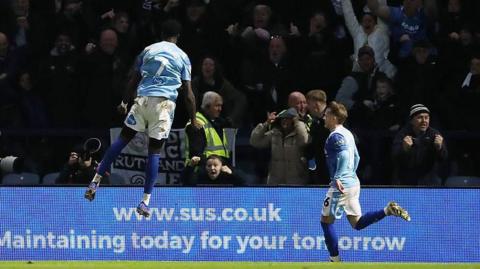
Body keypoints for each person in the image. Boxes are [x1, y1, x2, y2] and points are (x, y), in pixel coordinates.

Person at [84, 19, 198, 218]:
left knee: (122, 140)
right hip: (163, 105)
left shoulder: (148, 50)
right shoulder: (183, 56)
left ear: (161, 33)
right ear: (177, 37)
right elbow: (188, 93)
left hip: (143, 99)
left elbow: (133, 78)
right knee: (154, 153)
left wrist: (124, 102)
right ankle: (145, 202)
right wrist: (194, 119)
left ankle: (96, 179)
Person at [320, 101, 410, 262]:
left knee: (326, 221)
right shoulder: (348, 133)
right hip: (353, 182)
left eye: (326, 115)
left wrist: (338, 178)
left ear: (334, 117)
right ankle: (387, 210)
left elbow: (345, 156)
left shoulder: (335, 136)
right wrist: (351, 174)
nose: (323, 117)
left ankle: (334, 261)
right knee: (357, 223)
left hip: (341, 184)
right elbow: (356, 157)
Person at [250, 107, 310, 185]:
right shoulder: (274, 134)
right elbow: (254, 141)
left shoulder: (300, 134)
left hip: (296, 181)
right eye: (282, 119)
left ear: (293, 120)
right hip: (275, 181)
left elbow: (304, 141)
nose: (284, 121)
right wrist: (266, 124)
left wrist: (298, 122)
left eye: (288, 118)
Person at [392, 104, 448, 185]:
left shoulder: (434, 134)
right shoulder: (402, 134)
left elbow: (443, 158)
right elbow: (395, 158)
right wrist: (404, 149)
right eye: (419, 117)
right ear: (412, 121)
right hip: (406, 180)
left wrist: (439, 148)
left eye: (426, 117)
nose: (424, 121)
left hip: (428, 179)